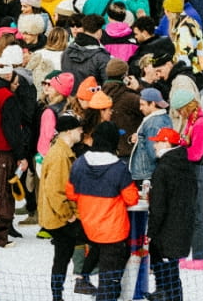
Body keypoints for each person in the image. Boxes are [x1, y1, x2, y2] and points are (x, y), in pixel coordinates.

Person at [68, 120, 140, 301]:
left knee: (106, 275)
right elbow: (132, 198)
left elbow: (71, 193)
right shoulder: (118, 168)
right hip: (114, 231)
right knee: (110, 279)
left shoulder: (79, 164)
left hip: (90, 226)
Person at [144, 126, 195, 301]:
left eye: (157, 142)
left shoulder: (163, 170)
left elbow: (158, 207)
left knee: (166, 278)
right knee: (173, 277)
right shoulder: (186, 165)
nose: (154, 146)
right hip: (182, 228)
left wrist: (150, 233)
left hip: (166, 234)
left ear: (166, 143)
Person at [36, 113, 82, 301]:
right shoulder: (60, 155)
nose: (81, 132)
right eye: (79, 129)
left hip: (58, 215)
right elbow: (55, 190)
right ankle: (58, 294)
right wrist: (68, 214)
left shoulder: (61, 151)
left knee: (62, 256)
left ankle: (58, 294)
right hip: (60, 217)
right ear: (69, 131)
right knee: (63, 255)